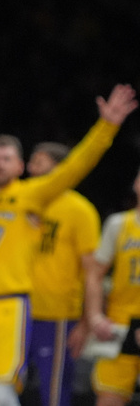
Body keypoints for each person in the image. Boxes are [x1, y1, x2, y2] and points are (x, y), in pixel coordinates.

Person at [0, 84, 137, 406]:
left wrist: (106, 127)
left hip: (8, 306)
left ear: (19, 167)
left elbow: (75, 166)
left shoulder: (32, 196)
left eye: (6, 159)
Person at [25, 142, 101, 406]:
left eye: (39, 161)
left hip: (57, 315)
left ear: (61, 168)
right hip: (14, 309)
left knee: (54, 390)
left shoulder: (80, 210)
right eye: (31, 161)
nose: (30, 167)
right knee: (1, 386)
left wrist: (86, 321)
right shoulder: (21, 200)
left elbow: (92, 271)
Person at [86, 166, 140, 406]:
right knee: (109, 398)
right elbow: (95, 275)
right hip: (120, 325)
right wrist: (95, 317)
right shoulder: (119, 224)